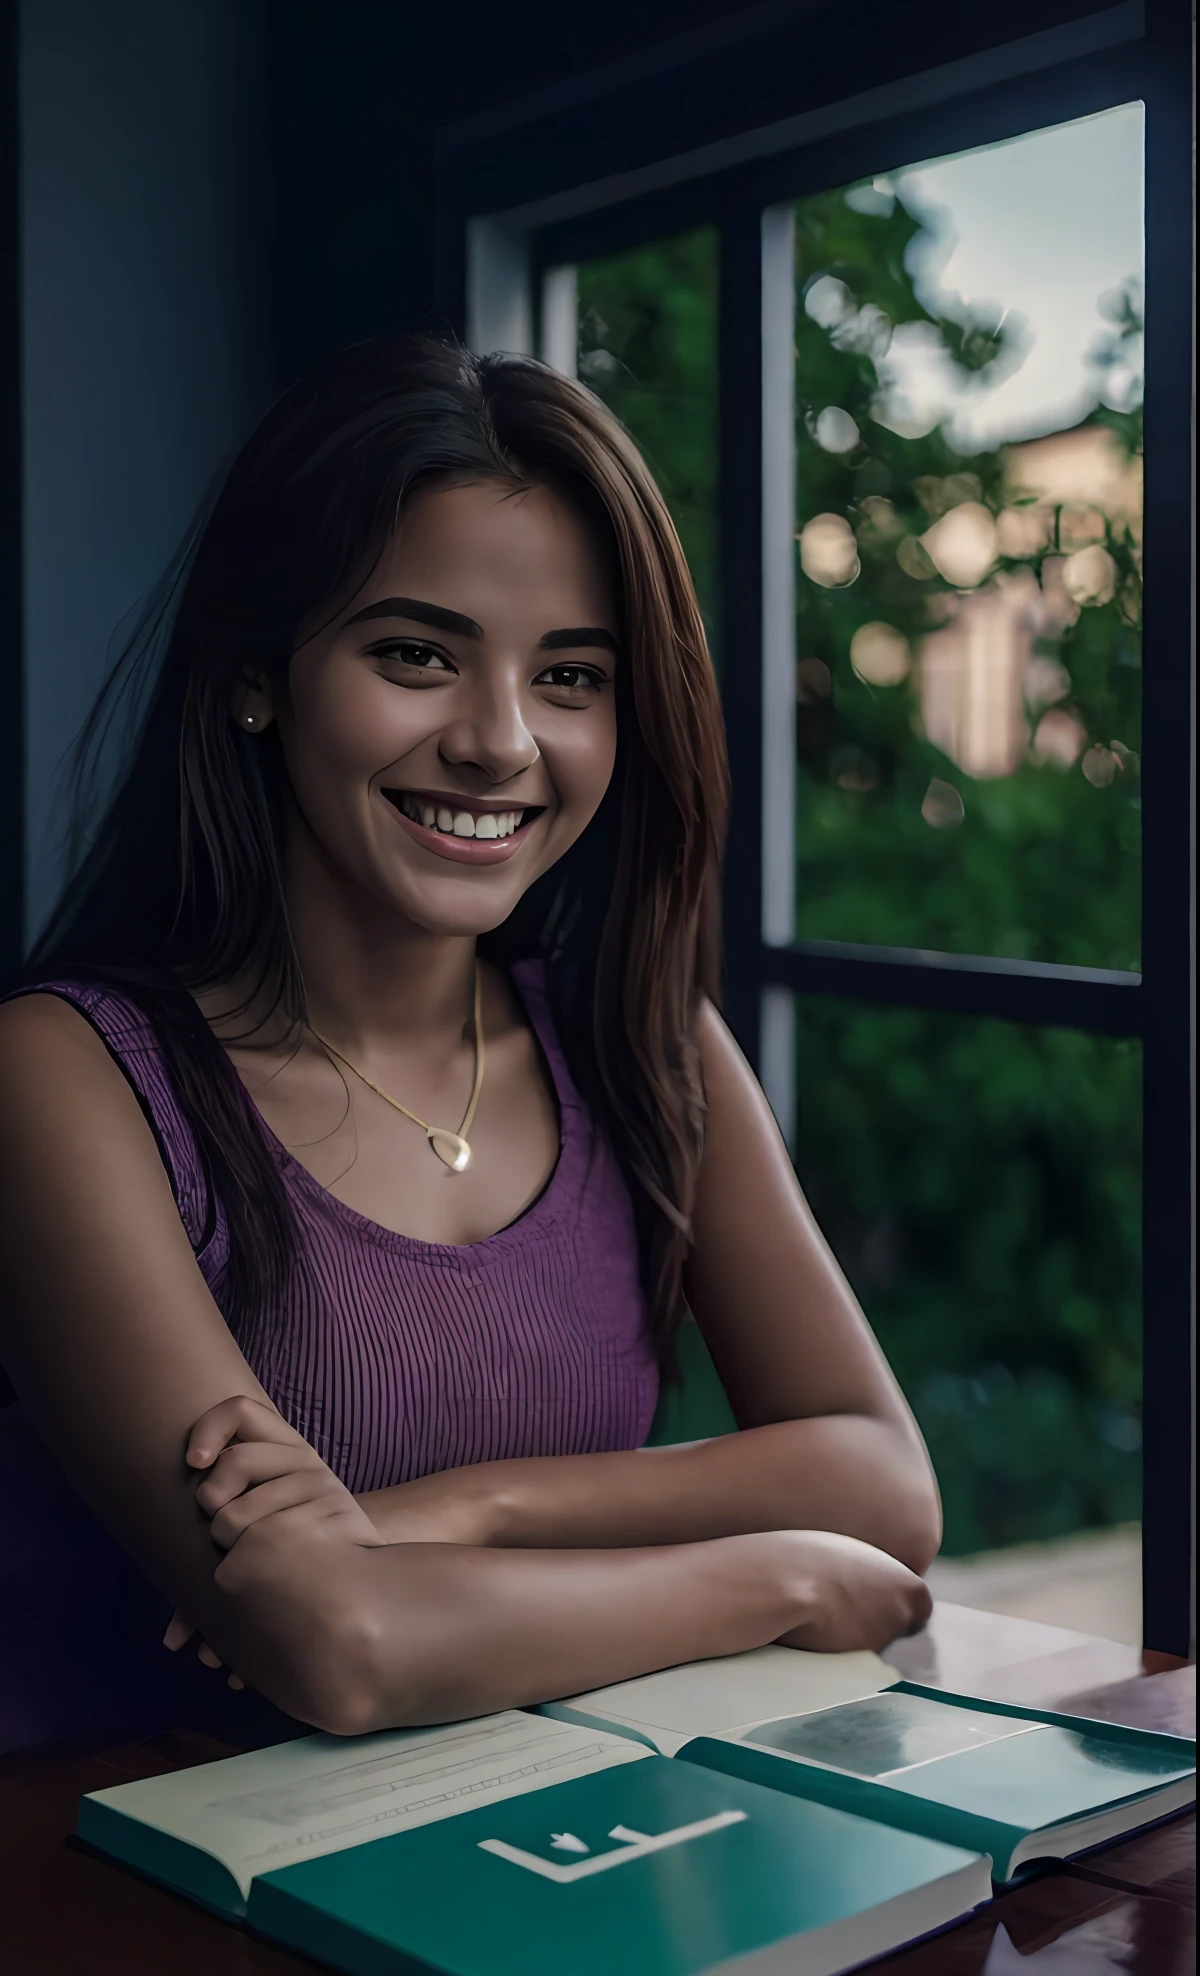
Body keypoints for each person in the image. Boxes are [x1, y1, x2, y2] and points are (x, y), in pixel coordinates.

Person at [0, 336, 938, 1747]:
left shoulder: (641, 1042)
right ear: (261, 674)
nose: (501, 741)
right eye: (417, 655)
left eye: (571, 677)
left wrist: (466, 1509)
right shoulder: (63, 1078)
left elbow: (885, 1484)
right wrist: (781, 1573)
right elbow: (341, 1648)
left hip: (559, 1864)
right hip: (153, 1922)